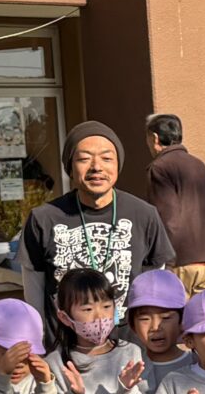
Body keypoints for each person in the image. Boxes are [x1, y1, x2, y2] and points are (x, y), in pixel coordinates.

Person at [20, 120, 177, 318]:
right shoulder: (43, 219)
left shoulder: (144, 215)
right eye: (84, 159)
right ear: (70, 168)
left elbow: (155, 287)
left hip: (127, 335)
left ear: (118, 165)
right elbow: (34, 292)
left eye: (106, 158)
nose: (96, 167)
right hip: (63, 337)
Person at [144, 113, 205, 294]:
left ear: (154, 138)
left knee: (177, 310)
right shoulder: (199, 165)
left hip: (180, 260)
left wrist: (162, 259)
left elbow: (165, 217)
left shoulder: (159, 167)